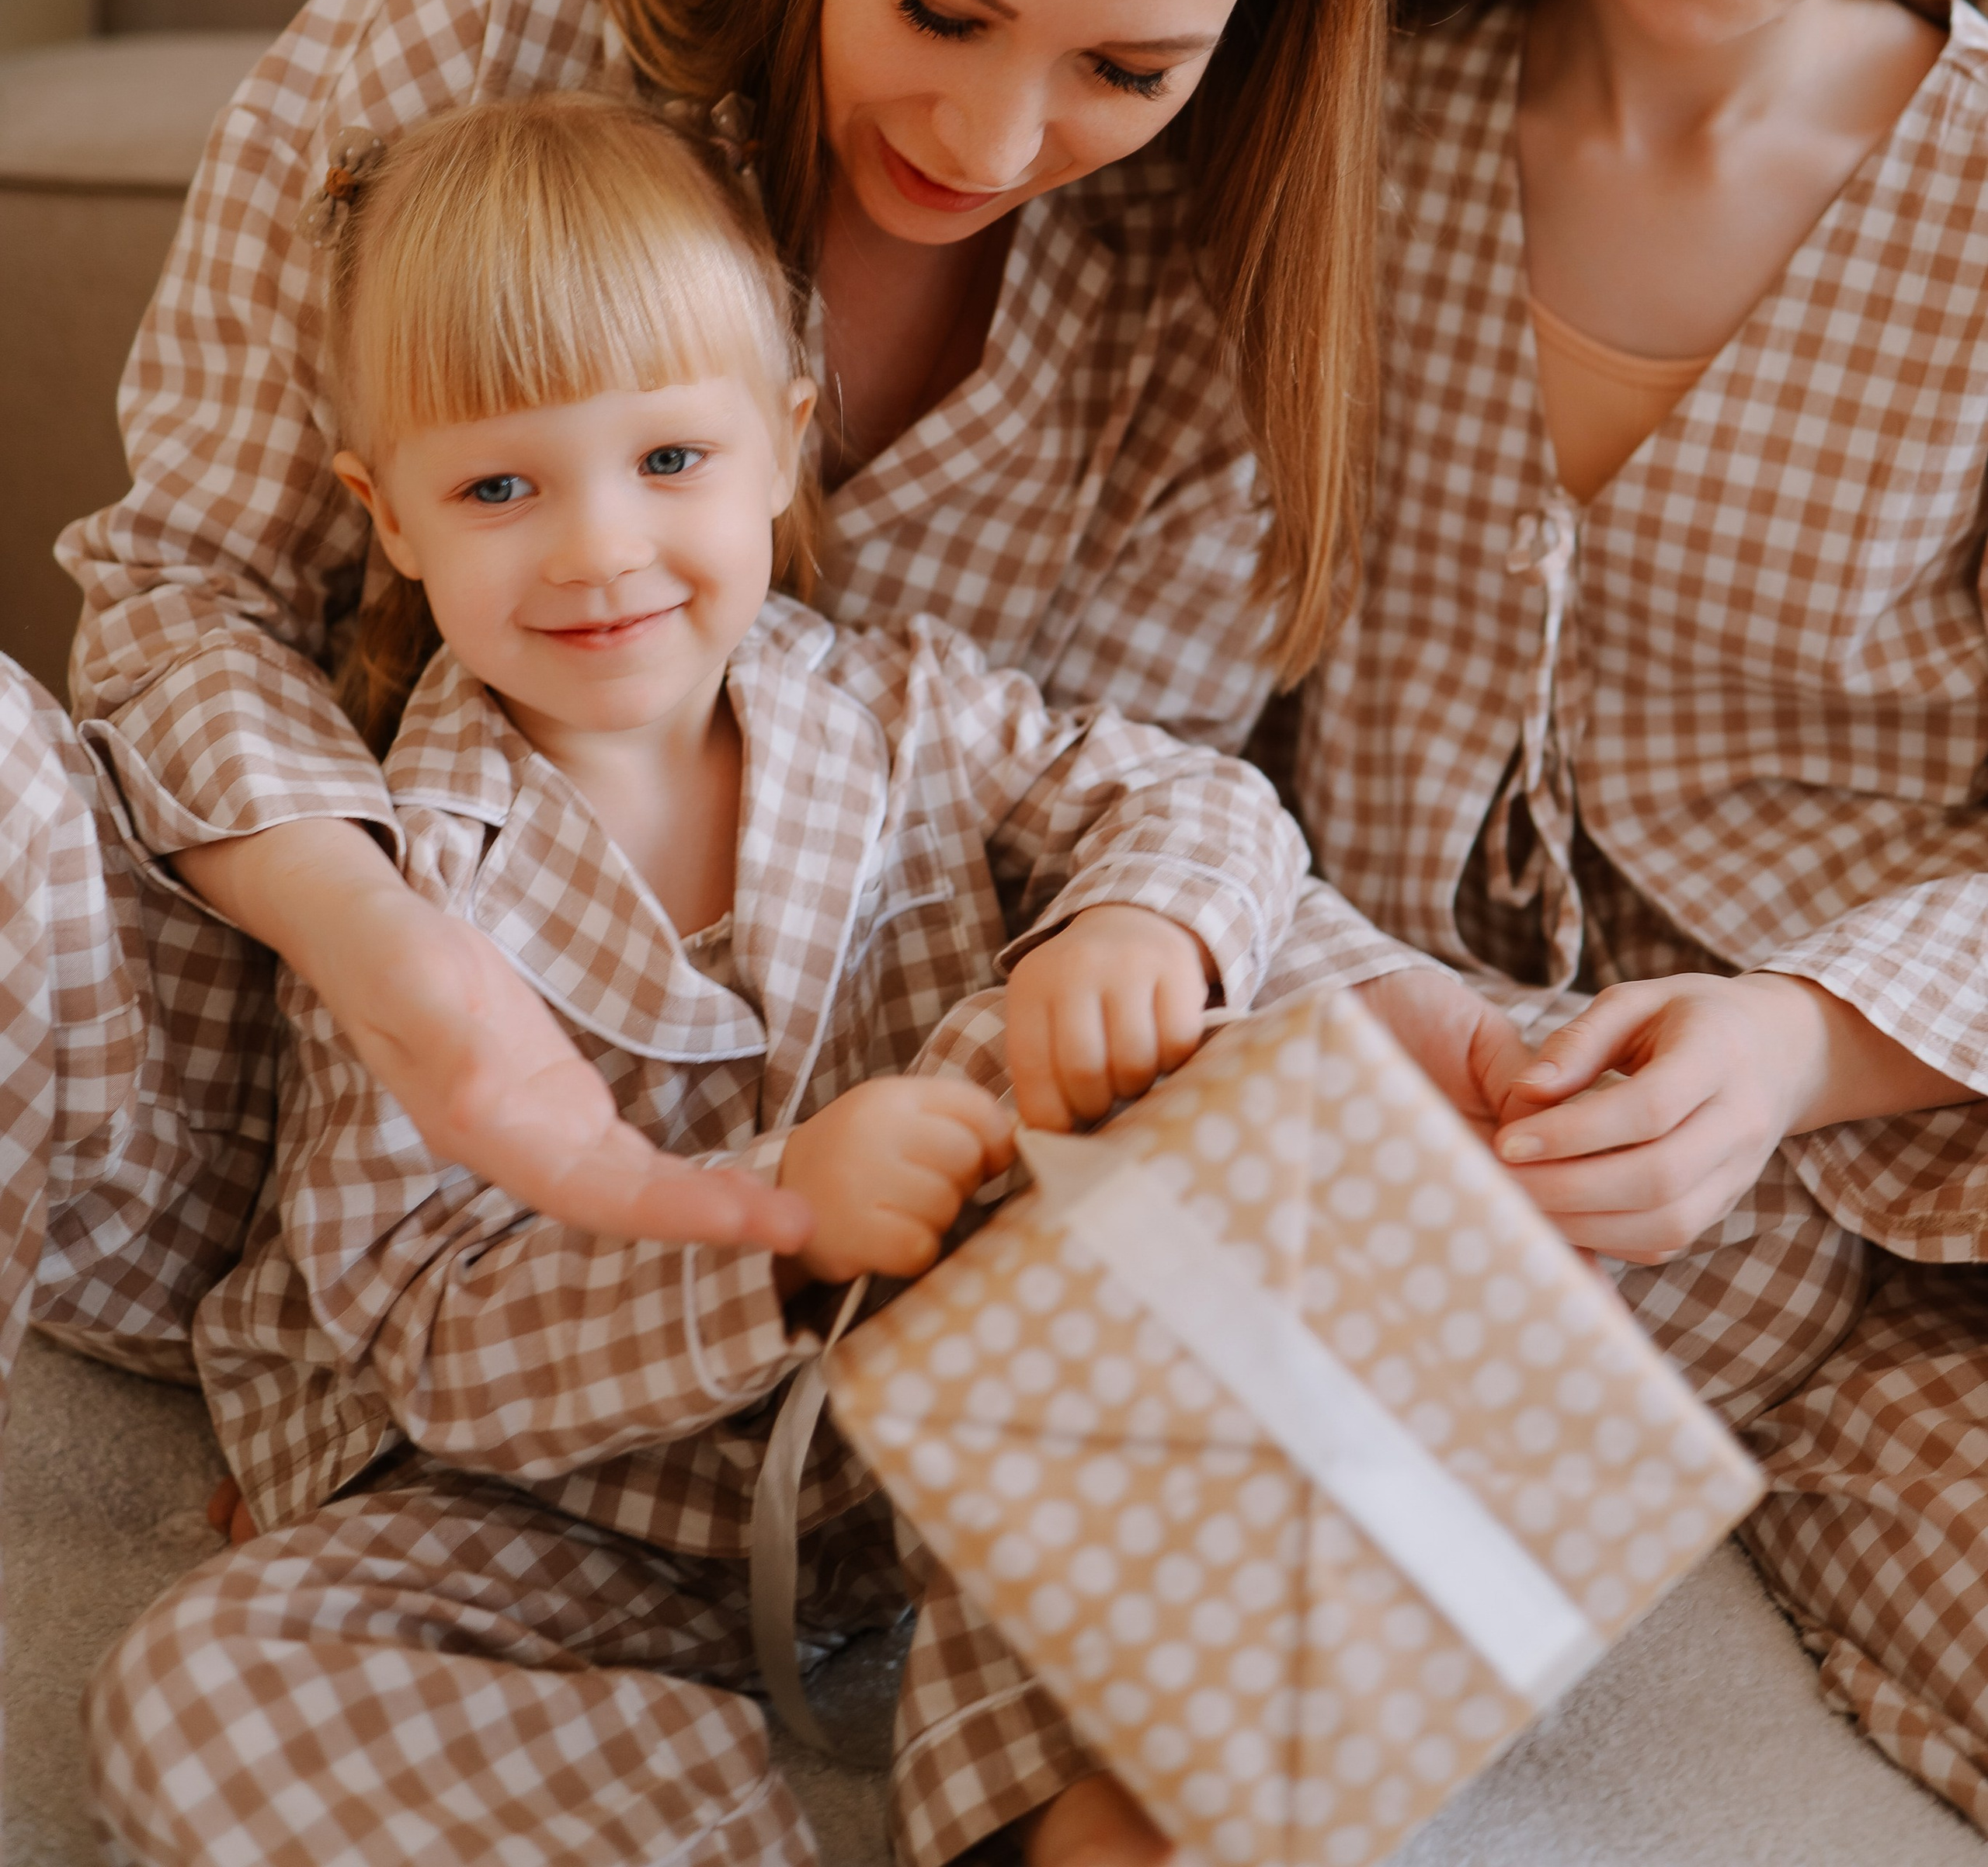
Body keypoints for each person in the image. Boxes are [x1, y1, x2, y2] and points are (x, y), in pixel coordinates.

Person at [57, 0, 1397, 1267]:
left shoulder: (1212, 285)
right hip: (300, 1077)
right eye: (938, 6)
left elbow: (1131, 830)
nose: (989, 145)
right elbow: (181, 595)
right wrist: (400, 965)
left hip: (860, 1218)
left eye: (1125, 71)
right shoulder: (509, 0)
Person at [85, 90, 1308, 1867]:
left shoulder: (907, 712)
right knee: (198, 1689)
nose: (597, 551)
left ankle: (1053, 1809)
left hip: (953, 1463)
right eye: (499, 486)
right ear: (393, 520)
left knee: (1209, 1264)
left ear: (783, 440)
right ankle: (675, 1815)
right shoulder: (407, 877)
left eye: (668, 462)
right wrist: (772, 1229)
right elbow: (430, 1336)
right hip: (569, 1511)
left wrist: (1136, 930)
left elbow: (1194, 794)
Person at [1279, 0, 1988, 1828]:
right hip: (1398, 1166)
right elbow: (1127, 684)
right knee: (1182, 1671)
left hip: (1919, 1235)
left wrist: (1793, 1047)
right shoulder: (1336, 119)